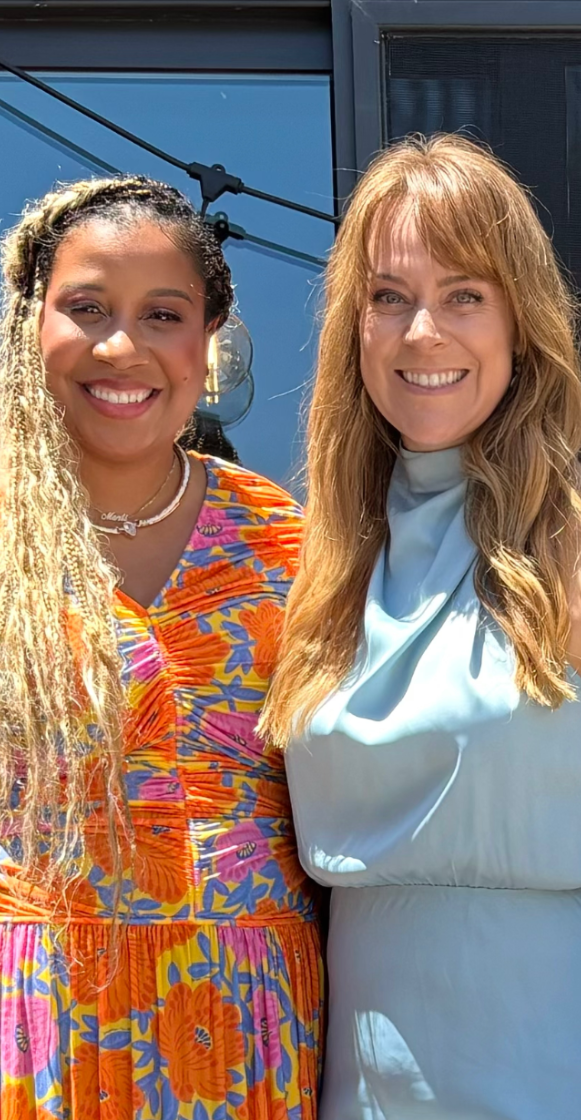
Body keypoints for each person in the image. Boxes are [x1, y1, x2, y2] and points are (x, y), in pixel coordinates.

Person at [0, 175, 323, 1119]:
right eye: (86, 307)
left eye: (162, 313)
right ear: (31, 324)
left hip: (245, 1030)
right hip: (7, 1035)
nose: (121, 346)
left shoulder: (285, 542)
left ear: (206, 340)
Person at [261, 133, 581, 1119]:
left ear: (518, 322)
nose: (420, 331)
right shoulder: (317, 562)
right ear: (353, 331)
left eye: (463, 296)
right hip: (359, 1075)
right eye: (388, 297)